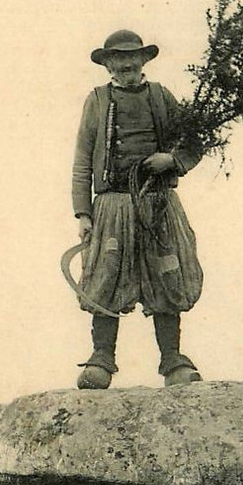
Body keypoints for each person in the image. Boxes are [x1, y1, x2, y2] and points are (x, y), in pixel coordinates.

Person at [71, 30, 204, 389]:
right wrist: (83, 213)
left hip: (158, 202)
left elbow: (193, 140)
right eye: (118, 58)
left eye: (133, 58)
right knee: (105, 277)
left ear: (144, 60)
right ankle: (101, 358)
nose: (127, 64)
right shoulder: (97, 101)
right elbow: (83, 159)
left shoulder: (161, 97)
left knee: (167, 273)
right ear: (108, 63)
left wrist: (173, 160)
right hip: (112, 205)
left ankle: (173, 361)